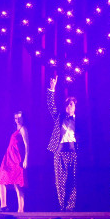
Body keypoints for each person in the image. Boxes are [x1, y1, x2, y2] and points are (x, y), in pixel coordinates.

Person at [47, 75, 78, 211]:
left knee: (73, 180)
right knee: (60, 181)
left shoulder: (79, 120)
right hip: (59, 152)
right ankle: (62, 206)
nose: (69, 106)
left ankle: (70, 207)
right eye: (67, 104)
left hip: (74, 152)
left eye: (71, 104)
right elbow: (51, 105)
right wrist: (52, 89)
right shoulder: (59, 117)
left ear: (75, 106)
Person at [0, 112, 29, 212]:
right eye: (15, 118)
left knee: (17, 183)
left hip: (16, 159)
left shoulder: (23, 129)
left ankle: (20, 210)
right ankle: (3, 206)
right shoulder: (16, 129)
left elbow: (27, 145)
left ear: (23, 118)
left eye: (19, 118)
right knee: (0, 180)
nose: (17, 120)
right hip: (8, 158)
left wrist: (26, 159)